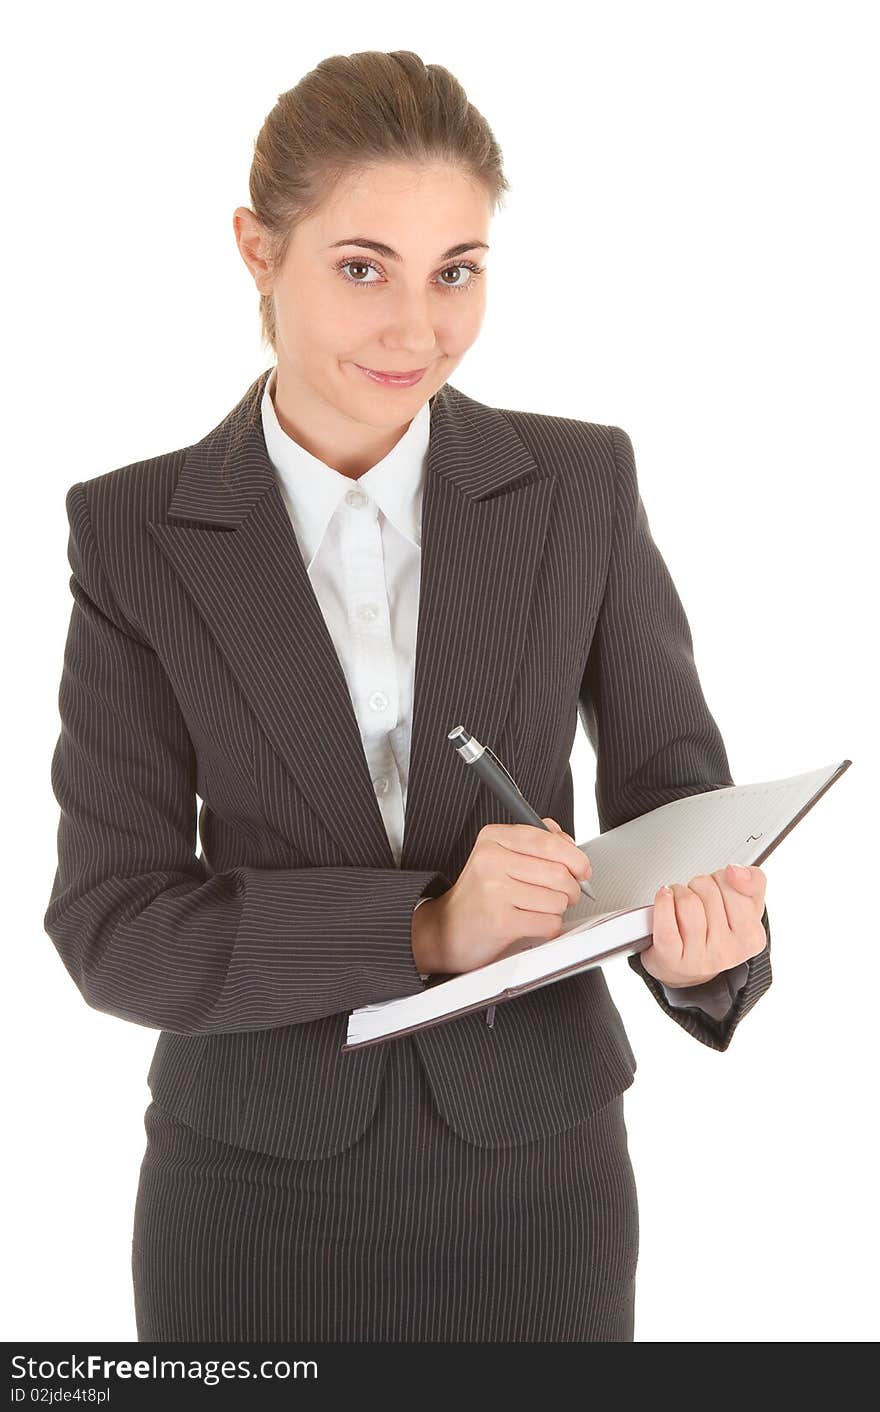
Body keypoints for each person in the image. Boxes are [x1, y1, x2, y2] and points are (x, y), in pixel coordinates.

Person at [44, 49, 772, 1344]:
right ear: (258, 251)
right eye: (363, 267)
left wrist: (707, 950)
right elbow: (116, 927)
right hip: (250, 1213)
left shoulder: (579, 488)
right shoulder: (134, 537)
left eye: (459, 273)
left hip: (541, 1197)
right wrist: (425, 930)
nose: (417, 331)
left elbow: (677, 805)